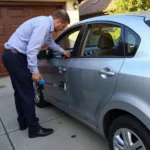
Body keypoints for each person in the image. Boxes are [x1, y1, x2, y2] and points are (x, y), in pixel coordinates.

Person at [2, 9, 71, 138]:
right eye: (62, 26)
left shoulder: (45, 24)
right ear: (59, 21)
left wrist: (62, 50)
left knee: (20, 92)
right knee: (28, 94)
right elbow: (32, 49)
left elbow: (49, 42)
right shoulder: (43, 25)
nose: (61, 29)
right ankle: (34, 129)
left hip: (11, 56)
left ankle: (23, 122)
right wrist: (35, 71)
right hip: (16, 57)